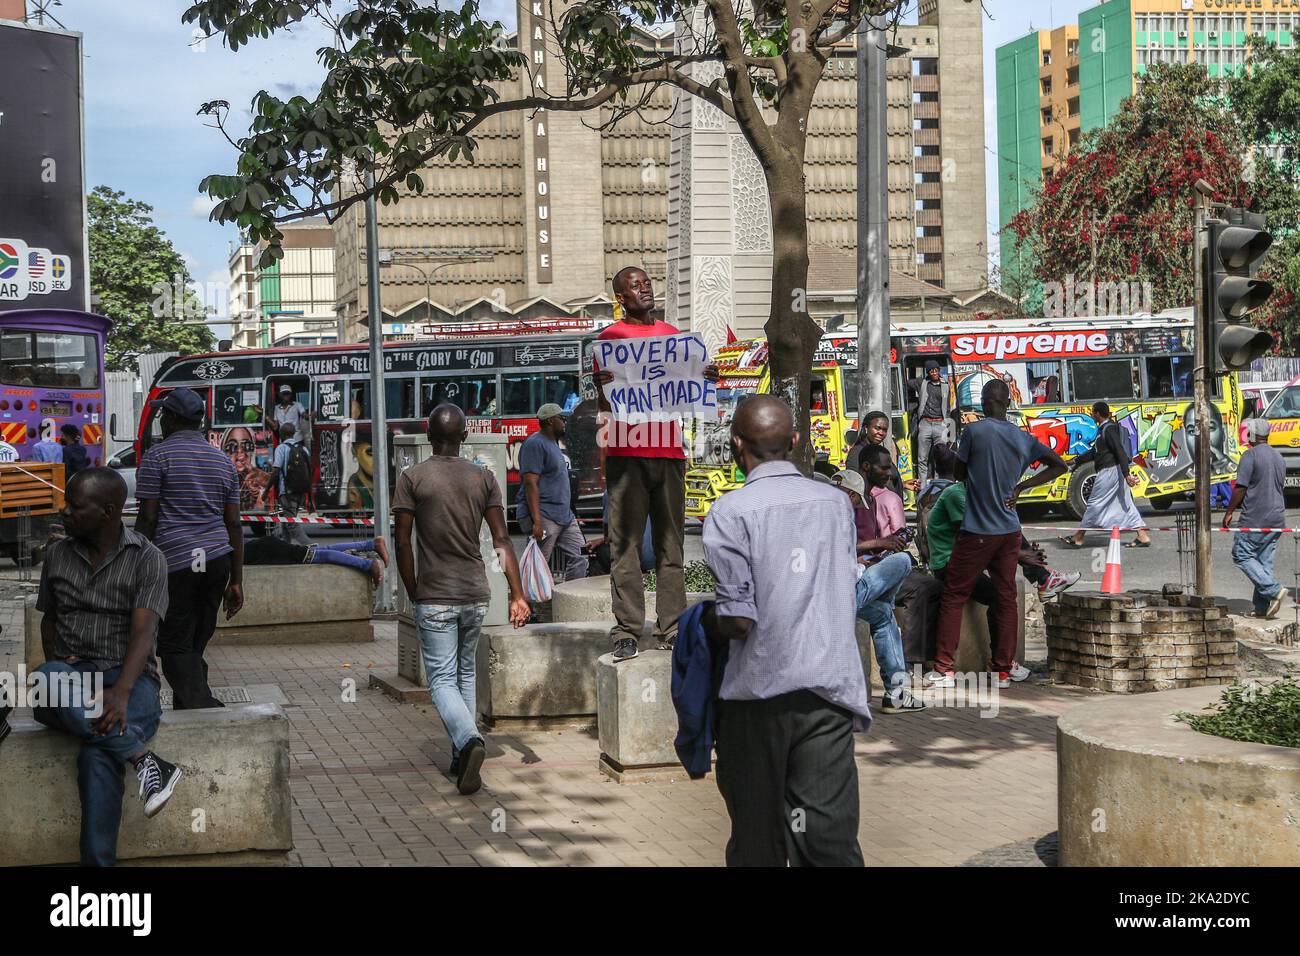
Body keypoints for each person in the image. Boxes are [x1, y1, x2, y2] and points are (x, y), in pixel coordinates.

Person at [702, 395, 870, 866]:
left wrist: (701, 626)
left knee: (758, 842)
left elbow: (738, 619)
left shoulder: (729, 513)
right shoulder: (837, 505)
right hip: (826, 696)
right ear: (795, 442)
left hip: (756, 701)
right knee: (829, 840)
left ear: (737, 446)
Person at [31, 468, 181, 866]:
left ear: (109, 511)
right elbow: (49, 620)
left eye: (75, 506)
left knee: (96, 757)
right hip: (71, 677)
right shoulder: (59, 554)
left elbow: (145, 630)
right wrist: (62, 670)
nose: (64, 512)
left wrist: (122, 691)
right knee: (46, 677)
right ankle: (143, 761)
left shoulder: (147, 558)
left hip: (131, 679)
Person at [393, 403, 531, 796]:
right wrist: (518, 594)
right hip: (474, 594)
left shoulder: (412, 478)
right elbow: (502, 540)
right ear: (465, 437)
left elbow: (402, 540)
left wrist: (412, 586)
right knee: (465, 675)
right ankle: (460, 754)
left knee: (440, 681)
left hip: (434, 594)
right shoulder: (484, 477)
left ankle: (469, 742)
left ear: (429, 436)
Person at [592, 265, 717, 661]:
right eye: (634, 286)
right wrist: (603, 388)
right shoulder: (610, 340)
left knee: (671, 545)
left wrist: (705, 377)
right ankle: (627, 629)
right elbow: (606, 407)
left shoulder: (673, 338)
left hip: (669, 453)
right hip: (626, 455)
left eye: (646, 283)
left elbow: (687, 391)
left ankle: (672, 626)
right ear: (621, 298)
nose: (644, 289)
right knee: (624, 546)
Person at [926, 379, 1067, 689]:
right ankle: (1002, 670)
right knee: (1006, 597)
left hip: (977, 530)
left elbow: (960, 474)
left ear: (986, 402)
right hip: (1010, 530)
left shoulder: (974, 432)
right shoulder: (1022, 437)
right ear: (1007, 402)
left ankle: (945, 669)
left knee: (954, 594)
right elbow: (1059, 465)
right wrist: (1020, 486)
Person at [134, 387, 245, 710]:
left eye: (163, 415)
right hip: (216, 561)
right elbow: (234, 525)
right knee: (197, 637)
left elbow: (148, 518)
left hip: (177, 562)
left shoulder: (158, 457)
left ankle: (201, 704)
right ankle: (190, 701)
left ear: (169, 419)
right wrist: (236, 580)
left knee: (173, 641)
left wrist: (135, 563)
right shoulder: (223, 461)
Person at [830, 460, 924, 713]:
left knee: (882, 616)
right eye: (856, 501)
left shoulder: (820, 513)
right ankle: (887, 600)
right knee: (903, 560)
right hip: (842, 594)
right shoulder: (838, 515)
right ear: (849, 494)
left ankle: (896, 693)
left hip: (839, 590)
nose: (856, 506)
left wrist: (859, 559)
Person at [1223, 419, 1288, 619]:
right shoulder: (1278, 457)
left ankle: (1274, 590)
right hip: (1277, 518)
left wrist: (1229, 511)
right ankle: (1261, 608)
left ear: (1251, 436)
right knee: (1263, 561)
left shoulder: (1250, 456)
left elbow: (1241, 487)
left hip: (1256, 518)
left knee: (1241, 554)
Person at [1064, 401, 1151, 548]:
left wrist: (1126, 474)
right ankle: (1142, 536)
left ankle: (1079, 537)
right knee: (1126, 504)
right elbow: (1095, 452)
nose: (1091, 415)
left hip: (1110, 472)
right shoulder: (1103, 429)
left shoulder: (1109, 429)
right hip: (1113, 471)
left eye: (1092, 412)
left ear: (1097, 413)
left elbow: (1119, 451)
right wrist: (1076, 461)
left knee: (1095, 503)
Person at [517, 403, 588, 582]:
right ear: (550, 421)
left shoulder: (552, 443)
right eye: (561, 418)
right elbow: (530, 483)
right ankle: (527, 607)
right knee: (537, 565)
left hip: (565, 516)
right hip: (546, 516)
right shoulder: (535, 444)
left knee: (581, 556)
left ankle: (572, 600)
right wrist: (537, 522)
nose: (564, 422)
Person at [245, 534, 388, 587]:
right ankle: (372, 544)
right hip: (264, 547)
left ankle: (369, 565)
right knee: (322, 551)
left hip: (267, 550)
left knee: (320, 556)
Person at [268, 422, 313, 547]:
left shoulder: (281, 448)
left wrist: (266, 491)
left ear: (282, 434)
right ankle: (286, 546)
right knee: (287, 519)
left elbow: (276, 471)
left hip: (287, 492)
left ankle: (311, 547)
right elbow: (309, 473)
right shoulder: (303, 449)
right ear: (293, 433)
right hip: (301, 493)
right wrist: (310, 499)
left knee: (291, 523)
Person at [908, 360, 951, 485]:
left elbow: (947, 408)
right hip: (925, 423)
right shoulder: (922, 383)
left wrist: (947, 425)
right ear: (928, 372)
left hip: (940, 424)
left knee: (940, 457)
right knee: (922, 458)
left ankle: (938, 487)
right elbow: (907, 382)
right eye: (931, 371)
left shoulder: (945, 385)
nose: (934, 373)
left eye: (936, 370)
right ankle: (922, 489)